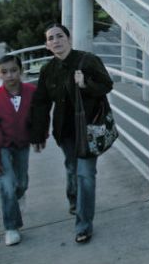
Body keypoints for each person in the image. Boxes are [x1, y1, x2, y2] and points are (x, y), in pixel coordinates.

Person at [29, 22, 113, 244]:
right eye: (51, 38)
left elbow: (107, 85)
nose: (56, 41)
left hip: (88, 131)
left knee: (85, 175)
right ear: (47, 45)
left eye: (60, 36)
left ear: (68, 38)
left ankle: (83, 225)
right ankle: (74, 199)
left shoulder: (87, 60)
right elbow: (41, 103)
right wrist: (38, 134)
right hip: (65, 131)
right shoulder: (48, 70)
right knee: (71, 167)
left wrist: (85, 84)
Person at [0, 54, 37, 246]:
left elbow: (38, 119)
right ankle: (11, 227)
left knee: (21, 183)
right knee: (6, 186)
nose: (10, 75)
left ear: (20, 71)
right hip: (2, 147)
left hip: (22, 145)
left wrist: (40, 137)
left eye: (14, 70)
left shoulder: (31, 92)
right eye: (4, 72)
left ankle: (17, 198)